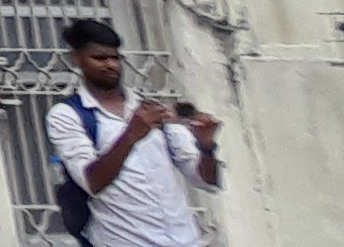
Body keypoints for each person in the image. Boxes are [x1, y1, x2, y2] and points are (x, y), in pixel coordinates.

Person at [45, 18, 219, 247]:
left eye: (115, 58)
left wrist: (206, 146)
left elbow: (206, 181)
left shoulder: (150, 110)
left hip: (185, 240)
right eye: (99, 58)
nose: (111, 65)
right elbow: (92, 182)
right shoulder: (67, 115)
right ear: (76, 58)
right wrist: (132, 134)